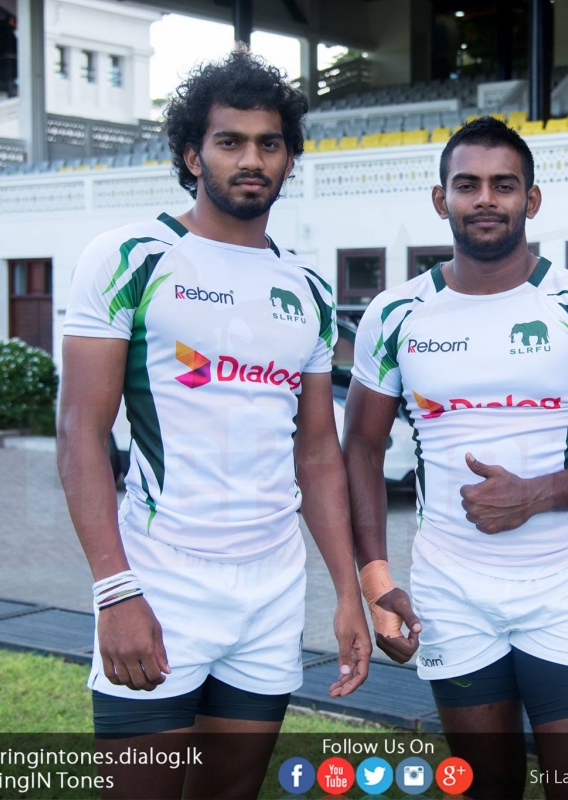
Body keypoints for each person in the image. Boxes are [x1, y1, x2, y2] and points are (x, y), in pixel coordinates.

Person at [57, 49, 370, 799]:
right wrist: (114, 590)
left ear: (289, 159)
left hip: (270, 589)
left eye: (269, 143)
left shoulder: (307, 285)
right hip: (161, 577)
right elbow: (80, 433)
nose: (251, 159)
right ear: (193, 155)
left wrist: (346, 591)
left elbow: (317, 453)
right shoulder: (130, 256)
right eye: (230, 141)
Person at [343, 117, 568, 799]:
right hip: (449, 594)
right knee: (487, 788)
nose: (486, 199)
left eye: (504, 184)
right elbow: (362, 450)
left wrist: (537, 494)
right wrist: (375, 580)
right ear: (441, 200)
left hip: (565, 590)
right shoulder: (395, 313)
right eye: (467, 185)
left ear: (532, 198)